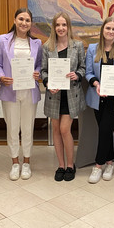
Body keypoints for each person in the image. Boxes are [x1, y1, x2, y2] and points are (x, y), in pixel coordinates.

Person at [0, 7, 42, 181]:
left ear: (31, 24)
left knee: (28, 128)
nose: (24, 23)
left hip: (29, 91)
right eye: (21, 19)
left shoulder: (36, 43)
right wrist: (1, 77)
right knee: (12, 128)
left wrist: (37, 72)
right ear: (15, 20)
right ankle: (15, 163)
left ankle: (27, 162)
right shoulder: (3, 40)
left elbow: (39, 65)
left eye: (27, 20)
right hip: (10, 91)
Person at [85, 16, 114, 183]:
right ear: (102, 30)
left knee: (105, 130)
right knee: (105, 131)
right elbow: (88, 73)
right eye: (108, 28)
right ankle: (110, 163)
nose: (111, 32)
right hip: (98, 97)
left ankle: (98, 166)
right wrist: (96, 83)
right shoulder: (92, 49)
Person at [41, 12, 86, 181]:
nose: (61, 28)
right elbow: (43, 71)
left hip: (71, 95)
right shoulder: (47, 47)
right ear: (54, 27)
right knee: (56, 131)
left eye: (64, 25)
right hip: (54, 95)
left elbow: (83, 66)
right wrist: (47, 83)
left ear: (68, 27)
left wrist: (77, 75)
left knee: (64, 129)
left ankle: (70, 165)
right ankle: (61, 165)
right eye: (58, 25)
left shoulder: (77, 45)